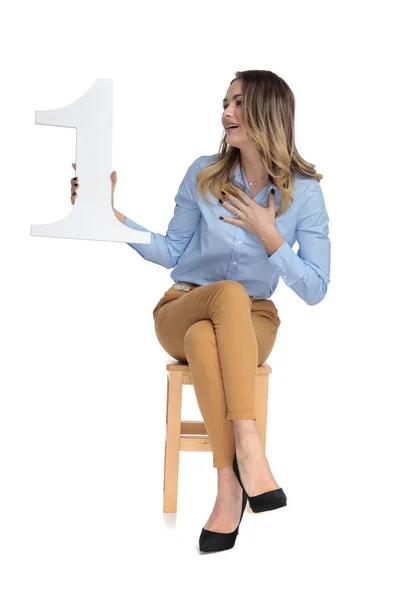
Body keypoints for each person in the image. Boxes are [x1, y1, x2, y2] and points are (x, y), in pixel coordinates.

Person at [70, 69, 331, 554]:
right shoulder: (202, 173)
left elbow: (316, 288)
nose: (225, 112)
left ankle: (228, 486)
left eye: (237, 103)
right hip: (183, 307)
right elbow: (172, 251)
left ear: (267, 114)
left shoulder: (305, 192)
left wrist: (270, 235)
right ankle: (250, 450)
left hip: (254, 320)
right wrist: (110, 217)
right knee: (222, 297)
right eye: (225, 102)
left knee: (208, 335)